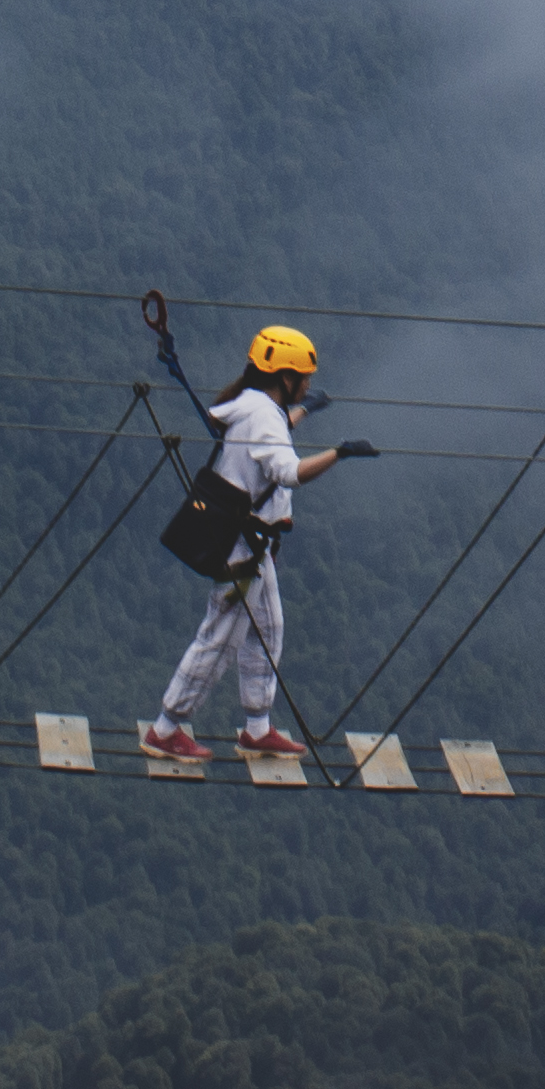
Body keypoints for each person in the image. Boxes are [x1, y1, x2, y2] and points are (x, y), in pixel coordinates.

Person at [141, 322, 363, 762]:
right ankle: (165, 729)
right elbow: (289, 471)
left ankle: (257, 728)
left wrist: (305, 412)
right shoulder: (264, 417)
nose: (308, 383)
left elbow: (272, 431)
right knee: (219, 639)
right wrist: (341, 453)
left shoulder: (251, 405)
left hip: (252, 549)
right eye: (304, 378)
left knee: (268, 631)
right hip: (241, 552)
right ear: (285, 377)